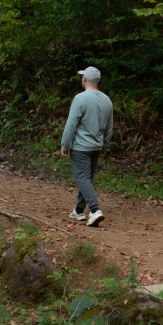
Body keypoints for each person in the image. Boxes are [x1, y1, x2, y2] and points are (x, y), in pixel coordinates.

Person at [61, 66, 113, 227]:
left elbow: (71, 124)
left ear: (85, 79)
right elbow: (109, 127)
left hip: (81, 147)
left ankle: (95, 210)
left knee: (82, 178)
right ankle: (78, 211)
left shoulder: (80, 99)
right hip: (96, 146)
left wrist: (65, 144)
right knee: (87, 179)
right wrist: (104, 145)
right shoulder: (107, 100)